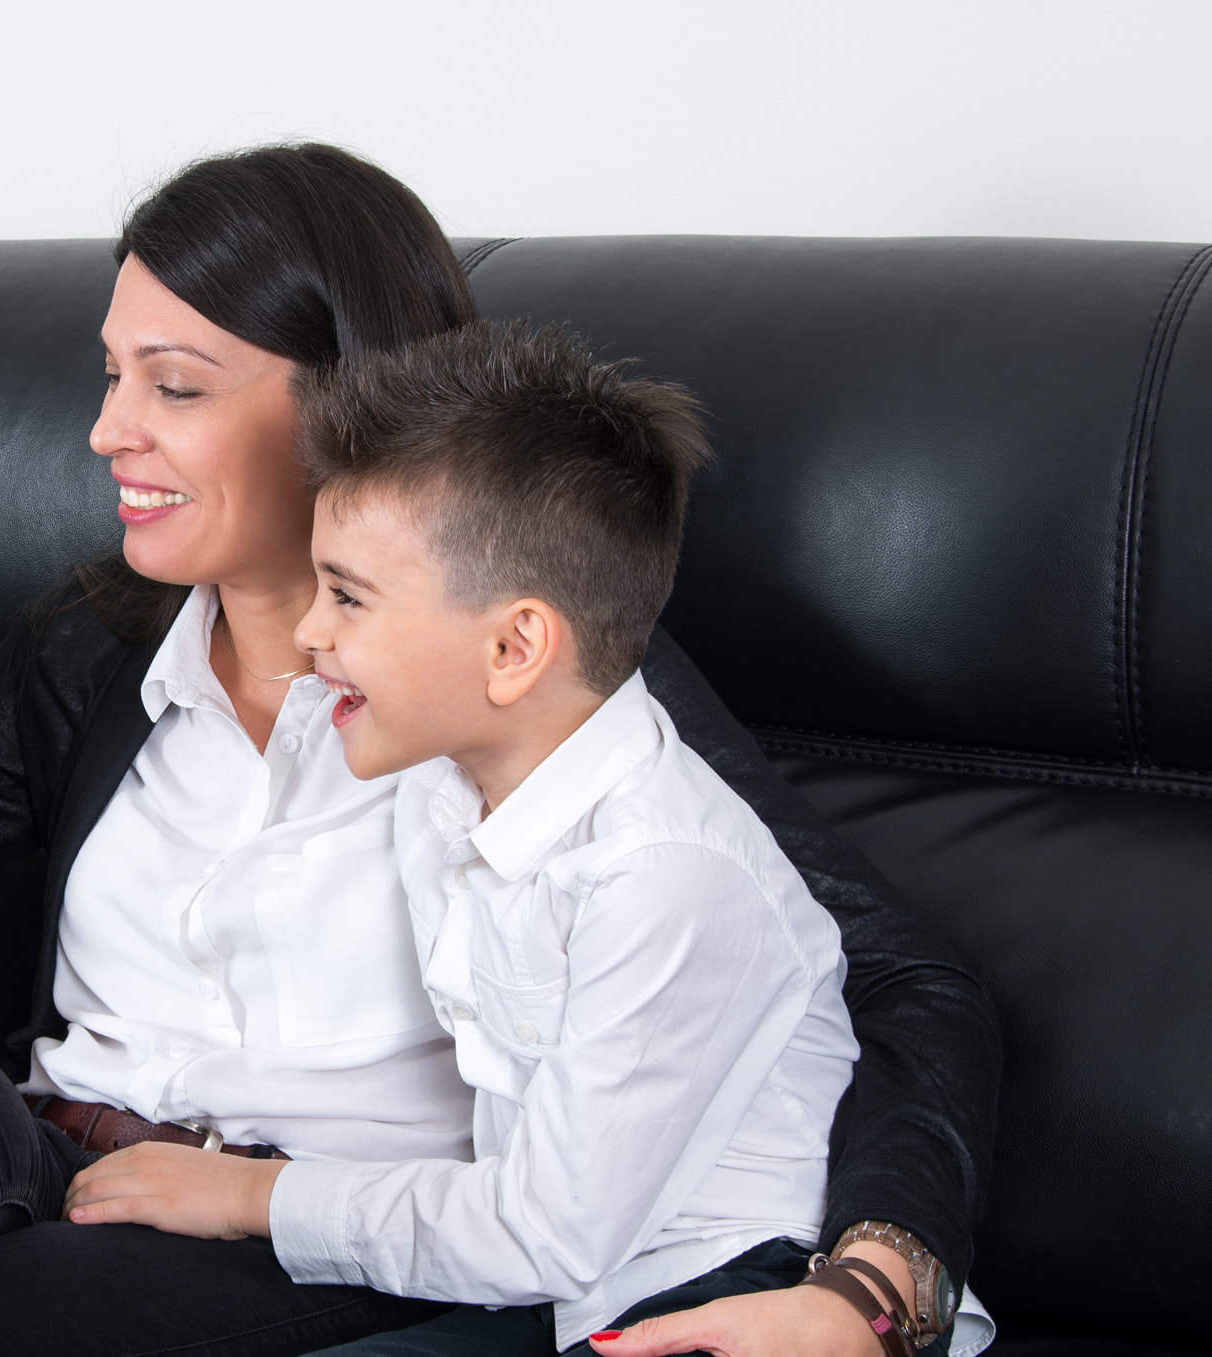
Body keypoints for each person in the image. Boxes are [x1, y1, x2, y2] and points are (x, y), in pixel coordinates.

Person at [0, 143, 999, 1357]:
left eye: (172, 386)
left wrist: (872, 1286)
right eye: (111, 374)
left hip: (329, 1227)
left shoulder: (520, 675)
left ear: (344, 404)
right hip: (61, 1154)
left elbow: (888, 977)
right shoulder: (93, 649)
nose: (103, 430)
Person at [61, 316, 886, 1356]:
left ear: (512, 647)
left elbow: (543, 1230)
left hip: (712, 1293)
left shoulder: (661, 873)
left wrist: (253, 1195)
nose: (310, 633)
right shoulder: (445, 789)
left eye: (348, 598)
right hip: (560, 1293)